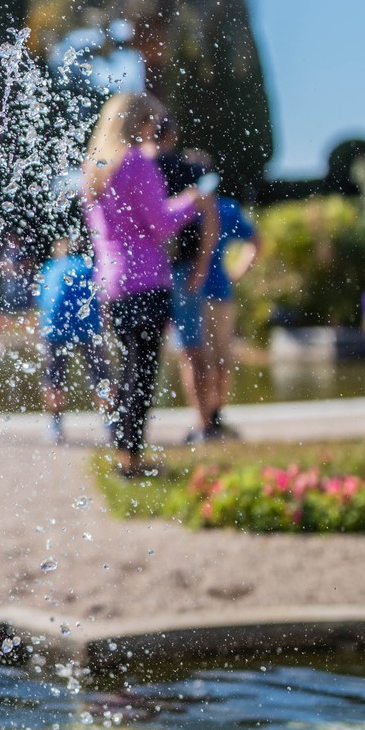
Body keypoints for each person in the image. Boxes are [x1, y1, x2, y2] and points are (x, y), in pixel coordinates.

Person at [81, 92, 207, 478]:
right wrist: (192, 201)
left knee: (127, 370)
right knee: (143, 372)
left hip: (112, 282)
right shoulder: (137, 162)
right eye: (152, 121)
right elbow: (162, 224)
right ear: (137, 123)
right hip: (147, 280)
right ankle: (130, 460)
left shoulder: (95, 166)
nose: (156, 128)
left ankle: (123, 450)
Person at [153, 120, 219, 442]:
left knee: (142, 351)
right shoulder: (190, 168)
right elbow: (210, 220)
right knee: (192, 350)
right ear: (173, 135)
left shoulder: (139, 167)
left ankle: (128, 433)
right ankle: (205, 423)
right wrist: (201, 267)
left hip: (149, 272)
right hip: (182, 270)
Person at [35, 237, 108, 444]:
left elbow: (42, 301)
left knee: (54, 379)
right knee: (100, 377)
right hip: (88, 326)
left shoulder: (50, 267)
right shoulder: (91, 266)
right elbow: (102, 296)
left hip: (54, 327)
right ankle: (109, 424)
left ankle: (55, 426)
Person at [200, 192, 259, 437]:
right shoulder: (226, 208)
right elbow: (256, 242)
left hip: (190, 293)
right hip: (219, 291)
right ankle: (214, 417)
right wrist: (236, 274)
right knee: (221, 357)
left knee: (198, 357)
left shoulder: (184, 206)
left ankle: (205, 421)